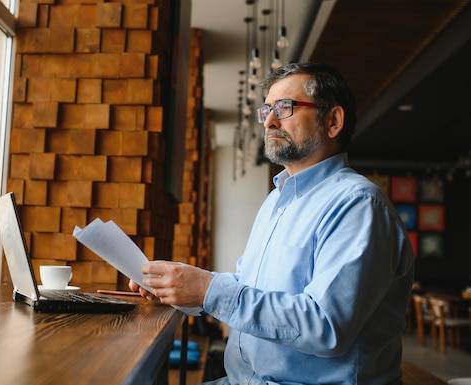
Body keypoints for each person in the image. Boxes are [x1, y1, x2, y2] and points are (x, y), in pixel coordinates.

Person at [130, 62, 415, 385]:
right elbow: (252, 285)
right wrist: (179, 285)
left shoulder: (358, 205)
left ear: (333, 121)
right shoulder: (277, 200)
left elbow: (326, 326)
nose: (270, 121)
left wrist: (208, 290)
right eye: (266, 109)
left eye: (285, 107)